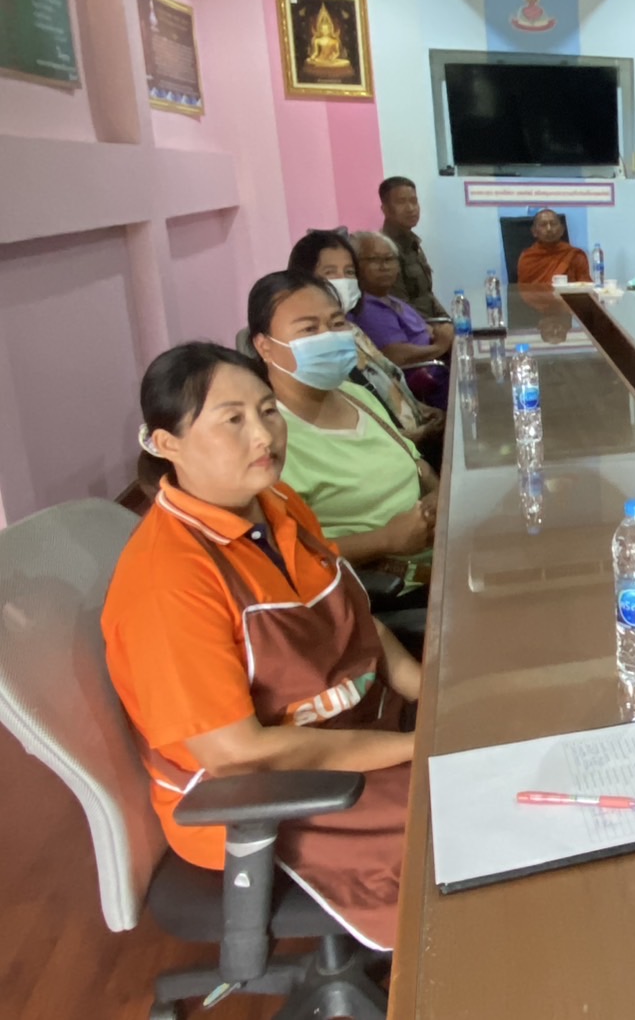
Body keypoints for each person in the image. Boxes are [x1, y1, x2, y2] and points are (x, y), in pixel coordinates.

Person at [103, 342, 418, 951]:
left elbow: (355, 623)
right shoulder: (168, 580)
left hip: (359, 731)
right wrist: (415, 747)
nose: (263, 435)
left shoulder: (277, 505)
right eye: (233, 419)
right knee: (471, 823)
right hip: (265, 798)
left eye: (268, 410)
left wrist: (431, 692)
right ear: (167, 443)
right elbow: (239, 755)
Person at [249, 270, 439, 593]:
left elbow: (417, 465)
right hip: (387, 589)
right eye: (309, 329)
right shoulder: (268, 439)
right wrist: (385, 540)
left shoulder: (356, 395)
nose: (329, 336)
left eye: (337, 323)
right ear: (264, 346)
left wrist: (439, 501)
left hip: (440, 554)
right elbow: (289, 552)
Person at [288, 229, 445, 469]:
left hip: (417, 434)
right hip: (400, 452)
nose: (343, 281)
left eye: (349, 273)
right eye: (330, 273)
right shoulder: (317, 350)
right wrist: (418, 436)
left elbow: (390, 379)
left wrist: (422, 410)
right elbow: (356, 433)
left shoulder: (353, 331)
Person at [349, 230, 452, 410]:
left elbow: (428, 330)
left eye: (389, 259)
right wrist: (439, 347)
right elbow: (394, 356)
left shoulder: (390, 299)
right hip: (426, 387)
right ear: (356, 266)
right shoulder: (366, 307)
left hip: (442, 369)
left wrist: (443, 335)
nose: (384, 266)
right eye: (374, 260)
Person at [378, 176, 447, 321]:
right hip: (413, 329)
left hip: (430, 324)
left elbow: (427, 295)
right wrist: (434, 328)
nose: (410, 208)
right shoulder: (384, 250)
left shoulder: (413, 244)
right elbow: (399, 306)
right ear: (385, 209)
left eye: (414, 201)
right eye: (401, 202)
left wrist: (447, 320)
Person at [517, 209, 591, 286]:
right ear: (534, 231)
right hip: (537, 294)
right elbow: (523, 290)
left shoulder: (575, 256)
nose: (549, 229)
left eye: (553, 224)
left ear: (562, 230)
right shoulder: (528, 258)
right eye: (543, 225)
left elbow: (586, 287)